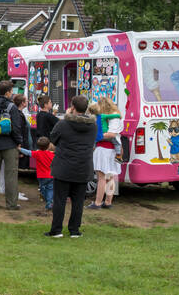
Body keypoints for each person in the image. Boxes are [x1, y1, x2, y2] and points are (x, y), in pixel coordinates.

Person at [47, 95, 98, 238]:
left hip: (64, 166)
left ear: (72, 107)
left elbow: (53, 139)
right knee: (78, 202)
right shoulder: (92, 126)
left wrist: (67, 116)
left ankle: (56, 230)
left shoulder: (63, 124)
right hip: (83, 167)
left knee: (59, 200)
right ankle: (74, 230)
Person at [0, 80, 25, 210]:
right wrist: (18, 142)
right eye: (12, 91)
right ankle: (11, 203)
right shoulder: (12, 107)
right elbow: (16, 128)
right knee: (11, 174)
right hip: (9, 145)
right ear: (8, 92)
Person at [90, 97, 122, 210]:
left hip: (104, 149)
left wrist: (96, 136)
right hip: (113, 150)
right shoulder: (115, 115)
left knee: (102, 177)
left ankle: (98, 203)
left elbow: (112, 134)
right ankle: (108, 202)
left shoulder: (108, 116)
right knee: (110, 176)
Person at [30, 136, 55, 211]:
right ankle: (49, 202)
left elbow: (28, 153)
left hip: (41, 176)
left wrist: (20, 149)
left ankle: (47, 200)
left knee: (42, 188)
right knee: (50, 189)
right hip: (51, 175)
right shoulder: (53, 155)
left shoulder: (37, 153)